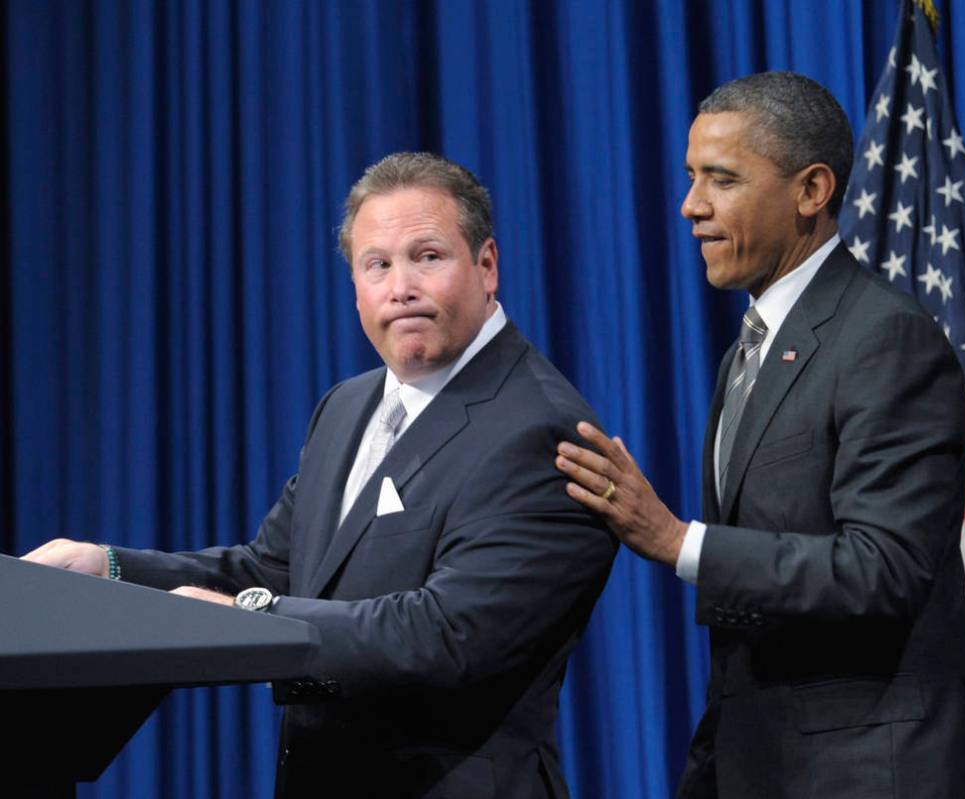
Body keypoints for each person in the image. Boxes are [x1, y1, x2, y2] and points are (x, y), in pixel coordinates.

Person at [25, 152, 618, 798]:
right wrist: (110, 571)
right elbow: (272, 569)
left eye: (427, 256)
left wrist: (253, 616)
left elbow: (450, 635)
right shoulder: (346, 406)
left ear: (486, 266)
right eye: (377, 264)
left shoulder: (540, 427)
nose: (401, 287)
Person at [555, 72, 965, 798]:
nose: (690, 206)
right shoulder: (746, 352)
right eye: (690, 177)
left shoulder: (884, 337)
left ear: (810, 190)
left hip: (881, 773)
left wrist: (679, 541)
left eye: (721, 179)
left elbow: (884, 568)